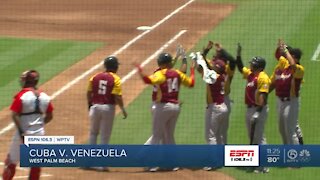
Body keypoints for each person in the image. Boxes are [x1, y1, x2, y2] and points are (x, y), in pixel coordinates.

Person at [136, 52, 195, 172]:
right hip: (175, 107)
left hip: (163, 107)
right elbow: (191, 83)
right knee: (169, 137)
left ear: (161, 64)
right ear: (169, 63)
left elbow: (147, 80)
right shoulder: (177, 73)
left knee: (156, 135)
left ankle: (150, 163)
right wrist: (192, 69)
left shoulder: (160, 74)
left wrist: (139, 69)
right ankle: (172, 164)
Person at [2, 70, 54, 180]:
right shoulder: (45, 96)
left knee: (11, 161)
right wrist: (39, 124)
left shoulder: (22, 95)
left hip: (23, 133)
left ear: (27, 81)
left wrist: (22, 132)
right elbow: (50, 116)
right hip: (39, 134)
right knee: (36, 164)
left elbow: (14, 115)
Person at [86, 56, 127, 171]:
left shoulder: (94, 77)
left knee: (93, 133)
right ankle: (102, 164)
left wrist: (90, 105)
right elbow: (117, 96)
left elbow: (89, 93)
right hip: (108, 108)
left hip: (95, 107)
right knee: (105, 136)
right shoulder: (116, 79)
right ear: (115, 67)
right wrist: (123, 109)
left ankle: (89, 161)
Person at [236, 44, 270, 173]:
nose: (250, 65)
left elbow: (263, 96)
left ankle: (264, 165)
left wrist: (258, 112)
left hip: (258, 110)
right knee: (253, 137)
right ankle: (255, 163)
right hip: (250, 109)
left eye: (253, 64)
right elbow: (240, 68)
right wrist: (238, 55)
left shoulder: (262, 77)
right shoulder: (251, 74)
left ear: (259, 67)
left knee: (259, 137)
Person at [144, 45, 188, 146]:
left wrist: (177, 58)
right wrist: (184, 59)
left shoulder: (158, 73)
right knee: (161, 135)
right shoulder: (171, 74)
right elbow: (182, 72)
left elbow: (169, 66)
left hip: (158, 105)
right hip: (162, 105)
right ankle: (140, 156)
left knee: (164, 136)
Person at [202, 41, 236, 145]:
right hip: (223, 102)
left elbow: (203, 64)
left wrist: (220, 51)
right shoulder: (224, 71)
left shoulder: (222, 70)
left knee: (214, 134)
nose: (213, 58)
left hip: (219, 101)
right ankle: (222, 155)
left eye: (215, 57)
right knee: (220, 133)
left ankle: (215, 159)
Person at [270, 40, 304, 145]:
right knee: (282, 130)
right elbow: (278, 55)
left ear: (296, 58)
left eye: (290, 56)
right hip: (280, 102)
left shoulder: (299, 69)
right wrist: (280, 48)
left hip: (291, 102)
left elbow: (293, 65)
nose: (287, 57)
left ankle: (295, 156)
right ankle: (286, 152)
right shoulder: (285, 65)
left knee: (290, 130)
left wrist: (285, 50)